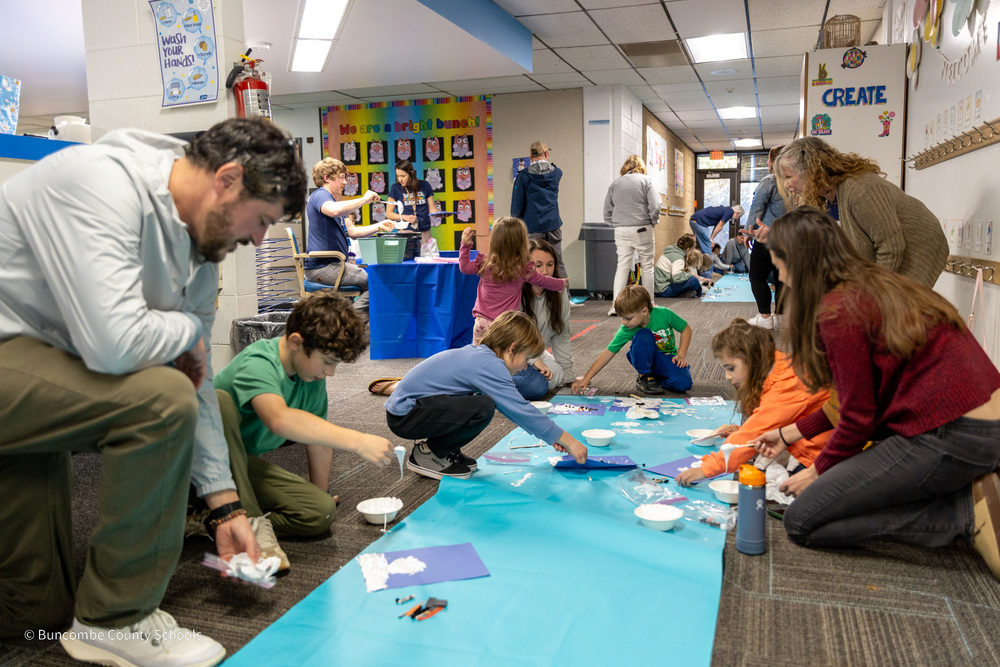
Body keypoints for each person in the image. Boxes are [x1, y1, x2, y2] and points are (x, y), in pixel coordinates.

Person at [0, 118, 307, 666]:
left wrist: (222, 504)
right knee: (156, 399)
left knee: (33, 617)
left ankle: (76, 620)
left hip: (37, 371)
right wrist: (187, 330)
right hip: (15, 354)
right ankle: (116, 619)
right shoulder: (99, 183)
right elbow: (116, 348)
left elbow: (195, 376)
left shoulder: (199, 249)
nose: (259, 240)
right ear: (228, 179)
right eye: (261, 221)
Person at [752, 206, 1000, 578]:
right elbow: (855, 400)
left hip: (954, 435)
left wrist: (819, 470)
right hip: (973, 421)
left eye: (781, 267)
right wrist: (791, 433)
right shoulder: (873, 283)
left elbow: (858, 419)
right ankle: (955, 485)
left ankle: (961, 511)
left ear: (800, 263)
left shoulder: (838, 312)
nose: (781, 278)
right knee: (839, 491)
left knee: (802, 520)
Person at [212, 292, 395, 571]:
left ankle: (214, 521)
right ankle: (249, 526)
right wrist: (357, 440)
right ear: (297, 342)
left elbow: (317, 439)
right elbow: (279, 420)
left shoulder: (309, 377)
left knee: (320, 513)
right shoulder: (259, 361)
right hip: (199, 464)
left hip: (241, 465)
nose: (330, 373)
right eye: (327, 361)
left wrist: (321, 492)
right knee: (218, 403)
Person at [385, 311, 588, 480]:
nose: (525, 366)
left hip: (414, 409)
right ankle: (429, 453)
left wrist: (551, 437)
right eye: (526, 358)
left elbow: (514, 411)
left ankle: (444, 451)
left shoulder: (483, 356)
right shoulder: (488, 365)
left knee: (479, 404)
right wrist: (567, 439)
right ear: (512, 349)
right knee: (483, 407)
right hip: (406, 415)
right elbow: (519, 409)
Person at [773, 137, 948, 288]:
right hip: (890, 250)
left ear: (810, 170)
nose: (787, 185)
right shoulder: (823, 194)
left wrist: (874, 291)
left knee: (894, 311)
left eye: (788, 177)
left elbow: (891, 248)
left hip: (917, 247)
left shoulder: (860, 190)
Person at [675, 319, 830, 486]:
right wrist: (742, 431)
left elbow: (756, 431)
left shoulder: (788, 382)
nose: (727, 376)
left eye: (731, 368)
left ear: (753, 360)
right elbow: (773, 421)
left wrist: (705, 469)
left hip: (820, 457)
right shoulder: (778, 366)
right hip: (804, 444)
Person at [305, 157, 394, 315]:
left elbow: (352, 232)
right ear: (327, 178)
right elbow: (334, 210)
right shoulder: (320, 196)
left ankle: (349, 321)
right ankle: (351, 322)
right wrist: (364, 199)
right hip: (323, 267)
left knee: (374, 281)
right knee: (376, 283)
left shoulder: (332, 201)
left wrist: (379, 225)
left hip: (334, 265)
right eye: (341, 177)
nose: (345, 182)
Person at [459, 216, 567, 345]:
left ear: (494, 240)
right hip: (505, 325)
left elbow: (464, 267)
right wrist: (561, 284)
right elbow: (544, 281)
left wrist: (465, 246)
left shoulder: (485, 264)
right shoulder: (523, 270)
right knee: (504, 358)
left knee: (479, 355)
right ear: (521, 243)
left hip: (482, 322)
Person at [572, 285, 693, 396]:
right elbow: (608, 353)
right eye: (621, 317)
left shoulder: (664, 314)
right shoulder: (626, 328)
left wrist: (681, 355)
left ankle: (658, 378)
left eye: (628, 318)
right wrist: (587, 378)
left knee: (684, 384)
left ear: (644, 311)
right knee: (644, 335)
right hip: (643, 357)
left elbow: (686, 330)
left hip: (667, 357)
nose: (623, 322)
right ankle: (644, 376)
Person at [514, 238, 575, 400]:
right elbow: (510, 339)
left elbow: (561, 336)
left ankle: (494, 387)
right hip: (510, 357)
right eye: (538, 265)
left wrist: (569, 378)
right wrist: (533, 360)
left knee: (554, 374)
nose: (545, 272)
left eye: (550, 264)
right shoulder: (515, 290)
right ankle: (491, 384)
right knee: (535, 385)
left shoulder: (558, 290)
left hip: (536, 358)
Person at [604, 155, 660, 312]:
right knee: (647, 266)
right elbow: (655, 206)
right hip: (642, 228)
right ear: (641, 167)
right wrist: (653, 221)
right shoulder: (646, 181)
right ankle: (649, 305)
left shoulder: (615, 183)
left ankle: (615, 306)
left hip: (620, 229)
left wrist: (615, 224)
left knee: (622, 266)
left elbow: (607, 210)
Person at [744, 145, 786, 329]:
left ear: (772, 161)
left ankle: (765, 317)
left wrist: (748, 231)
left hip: (766, 238)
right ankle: (780, 317)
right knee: (782, 278)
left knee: (757, 275)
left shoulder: (770, 180)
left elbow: (757, 207)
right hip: (789, 238)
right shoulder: (794, 182)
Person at [510, 140, 566, 278]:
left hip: (532, 227)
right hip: (553, 225)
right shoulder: (557, 173)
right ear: (546, 154)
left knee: (532, 264)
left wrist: (516, 223)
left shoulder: (523, 176)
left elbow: (517, 206)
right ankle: (564, 298)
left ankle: (534, 299)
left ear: (530, 157)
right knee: (556, 262)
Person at [386, 159, 439, 256]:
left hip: (425, 232)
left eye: (403, 176)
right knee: (408, 261)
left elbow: (432, 209)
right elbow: (389, 214)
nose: (400, 179)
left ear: (411, 173)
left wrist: (439, 214)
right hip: (406, 232)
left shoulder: (425, 185)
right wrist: (405, 217)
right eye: (398, 176)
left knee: (426, 262)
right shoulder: (395, 188)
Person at [654, 233, 701, 298]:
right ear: (687, 249)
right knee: (693, 280)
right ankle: (700, 295)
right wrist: (691, 274)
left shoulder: (671, 252)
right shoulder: (678, 257)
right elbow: (677, 278)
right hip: (663, 290)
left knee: (690, 282)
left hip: (658, 289)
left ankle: (685, 294)